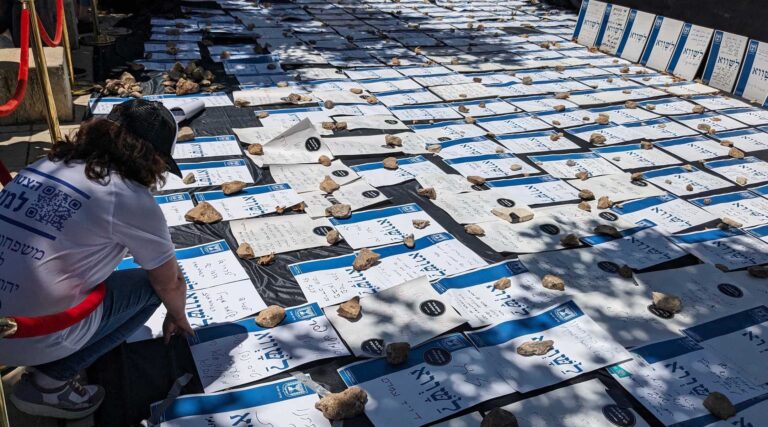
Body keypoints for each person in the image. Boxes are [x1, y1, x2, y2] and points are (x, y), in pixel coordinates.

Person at [0, 99, 193, 419]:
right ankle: (50, 383)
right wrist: (178, 316)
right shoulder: (128, 196)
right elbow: (168, 282)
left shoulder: (43, 165)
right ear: (155, 159)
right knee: (148, 288)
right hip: (22, 335)